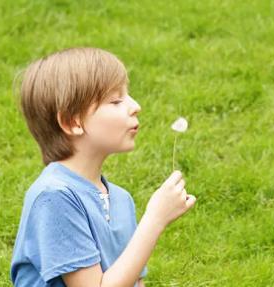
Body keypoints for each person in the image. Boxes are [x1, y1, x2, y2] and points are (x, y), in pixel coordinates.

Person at [10, 47, 197, 286]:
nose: (135, 105)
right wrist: (155, 219)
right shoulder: (54, 197)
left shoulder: (120, 199)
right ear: (72, 122)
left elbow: (132, 280)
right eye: (116, 100)